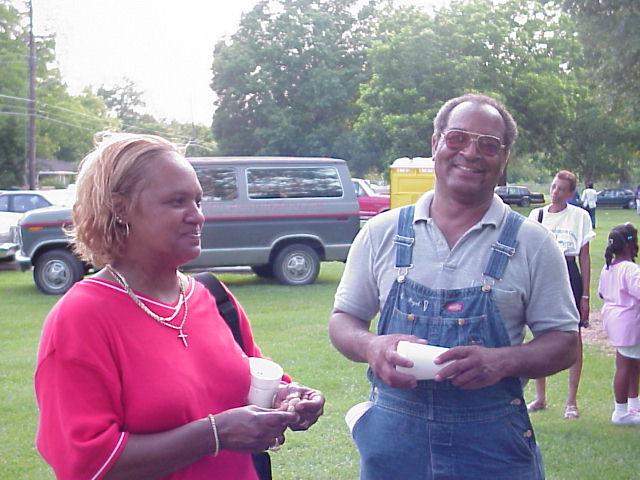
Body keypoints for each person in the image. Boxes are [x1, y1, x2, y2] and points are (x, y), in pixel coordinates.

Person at [34, 133, 325, 480]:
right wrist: (214, 435)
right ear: (120, 209)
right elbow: (88, 464)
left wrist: (285, 396)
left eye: (198, 201)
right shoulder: (81, 318)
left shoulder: (212, 295)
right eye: (177, 202)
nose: (197, 216)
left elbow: (250, 378)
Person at [329, 93, 578, 479]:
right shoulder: (381, 233)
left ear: (504, 157)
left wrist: (501, 361)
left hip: (492, 454)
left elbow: (565, 343)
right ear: (436, 144)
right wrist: (371, 346)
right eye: (458, 138)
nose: (471, 153)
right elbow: (343, 319)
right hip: (395, 453)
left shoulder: (534, 243)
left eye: (488, 145)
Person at [526, 171, 595, 420]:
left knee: (573, 336)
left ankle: (571, 401)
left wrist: (585, 295)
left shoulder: (579, 216)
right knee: (540, 335)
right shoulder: (537, 215)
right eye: (553, 187)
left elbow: (584, 257)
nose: (555, 192)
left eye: (561, 189)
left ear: (571, 193)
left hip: (568, 272)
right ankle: (540, 397)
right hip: (542, 274)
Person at [598, 223, 640, 426]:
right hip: (629, 322)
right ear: (630, 246)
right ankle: (621, 412)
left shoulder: (608, 267)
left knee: (631, 363)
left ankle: (633, 405)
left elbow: (601, 293)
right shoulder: (630, 269)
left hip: (614, 320)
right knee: (625, 366)